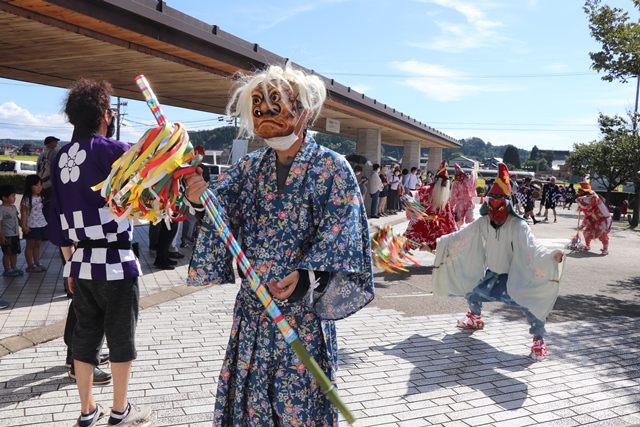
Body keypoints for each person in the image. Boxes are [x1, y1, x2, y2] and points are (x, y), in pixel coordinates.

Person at [184, 62, 375, 426]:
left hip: (303, 315)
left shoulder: (333, 169)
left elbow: (344, 237)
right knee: (252, 405)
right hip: (255, 311)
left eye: (277, 106)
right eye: (258, 108)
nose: (266, 116)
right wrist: (199, 198)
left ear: (304, 112)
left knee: (297, 409)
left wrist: (304, 279)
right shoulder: (249, 168)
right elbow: (220, 213)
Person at [49, 78, 151, 427]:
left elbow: (58, 220)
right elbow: (146, 200)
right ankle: (121, 410)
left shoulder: (60, 156)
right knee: (121, 337)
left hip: (81, 263)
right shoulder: (116, 150)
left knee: (85, 337)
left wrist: (70, 268)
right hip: (118, 263)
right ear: (105, 115)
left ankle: (87, 410)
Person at [432, 163, 564, 361]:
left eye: (499, 206)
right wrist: (436, 243)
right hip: (492, 274)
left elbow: (533, 247)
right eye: (491, 206)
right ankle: (475, 318)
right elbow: (461, 236)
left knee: (530, 304)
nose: (495, 211)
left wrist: (551, 256)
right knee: (472, 289)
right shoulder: (484, 222)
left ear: (508, 205)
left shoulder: (518, 225)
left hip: (515, 276)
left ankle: (539, 341)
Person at [403, 160, 458, 250]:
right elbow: (409, 198)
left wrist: (455, 233)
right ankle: (393, 258)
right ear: (436, 180)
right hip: (420, 223)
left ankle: (443, 261)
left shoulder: (443, 197)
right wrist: (414, 213)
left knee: (444, 241)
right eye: (442, 182)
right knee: (407, 243)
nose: (444, 186)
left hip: (435, 225)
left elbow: (448, 217)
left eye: (445, 184)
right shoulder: (424, 190)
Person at [180, 145, 210, 248]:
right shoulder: (187, 167)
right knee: (189, 220)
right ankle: (186, 240)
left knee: (198, 222)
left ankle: (195, 240)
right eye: (196, 153)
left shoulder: (205, 168)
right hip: (189, 198)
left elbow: (207, 182)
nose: (198, 155)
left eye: (200, 153)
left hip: (202, 197)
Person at [20, 175, 48, 272]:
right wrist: (23, 226)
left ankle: (37, 262)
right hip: (31, 226)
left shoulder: (41, 197)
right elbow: (23, 213)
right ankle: (30, 265)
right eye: (36, 185)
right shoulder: (26, 199)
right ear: (30, 186)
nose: (39, 187)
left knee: (38, 245)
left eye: (40, 185)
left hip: (41, 224)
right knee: (30, 245)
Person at [575, 182, 611, 255]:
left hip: (604, 219)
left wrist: (579, 200)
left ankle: (605, 249)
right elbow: (587, 215)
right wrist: (583, 225)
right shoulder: (588, 200)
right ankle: (587, 245)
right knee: (586, 232)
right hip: (594, 220)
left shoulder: (595, 197)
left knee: (603, 233)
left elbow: (583, 200)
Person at [0, 185, 24, 278]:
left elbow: (17, 219)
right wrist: (1, 236)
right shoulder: (1, 209)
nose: (15, 198)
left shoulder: (14, 207)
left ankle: (14, 267)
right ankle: (7, 270)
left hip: (15, 234)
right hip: (6, 235)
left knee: (14, 252)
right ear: (4, 198)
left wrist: (23, 226)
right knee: (7, 253)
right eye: (12, 196)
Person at [37, 135, 60, 223]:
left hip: (42, 183)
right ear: (50, 144)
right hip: (50, 184)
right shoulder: (52, 153)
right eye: (55, 142)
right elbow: (55, 168)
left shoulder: (41, 154)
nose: (57, 144)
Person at [450, 163, 477, 228]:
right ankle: (457, 233)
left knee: (471, 217)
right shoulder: (455, 184)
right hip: (459, 203)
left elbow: (473, 180)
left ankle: (475, 229)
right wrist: (451, 207)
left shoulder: (468, 180)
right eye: (457, 176)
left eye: (460, 175)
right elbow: (453, 196)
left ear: (463, 174)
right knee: (458, 220)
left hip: (468, 201)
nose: (459, 178)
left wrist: (474, 172)